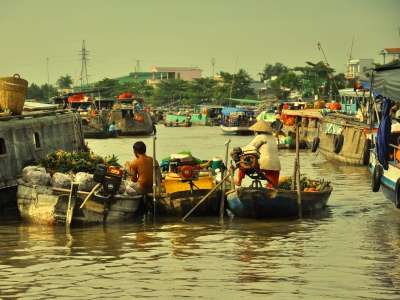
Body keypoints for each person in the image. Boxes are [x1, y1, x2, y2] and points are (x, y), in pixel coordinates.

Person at [234, 120, 281, 188]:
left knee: (243, 163)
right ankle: (271, 189)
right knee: (272, 186)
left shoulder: (260, 137)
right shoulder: (273, 138)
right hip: (277, 165)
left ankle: (239, 180)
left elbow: (250, 148)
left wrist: (239, 150)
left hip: (265, 164)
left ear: (257, 131)